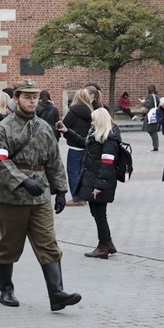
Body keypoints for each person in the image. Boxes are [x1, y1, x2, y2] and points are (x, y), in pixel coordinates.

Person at [0, 79, 81, 312]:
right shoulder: (4, 127)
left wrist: (60, 190)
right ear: (17, 98)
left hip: (40, 195)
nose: (32, 101)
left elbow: (54, 161)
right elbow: (0, 160)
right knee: (9, 244)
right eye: (27, 97)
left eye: (35, 97)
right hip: (12, 196)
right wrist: (22, 180)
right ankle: (6, 289)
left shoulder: (45, 127)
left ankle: (56, 293)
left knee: (48, 243)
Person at [58, 108, 121, 259]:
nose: (91, 122)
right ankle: (107, 243)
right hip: (93, 180)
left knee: (100, 214)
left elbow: (107, 163)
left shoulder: (109, 139)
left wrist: (99, 185)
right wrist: (67, 132)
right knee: (97, 213)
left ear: (100, 121)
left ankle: (103, 246)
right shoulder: (96, 135)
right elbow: (83, 143)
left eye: (93, 120)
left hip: (100, 182)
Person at [62, 88, 94, 206]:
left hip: (75, 146)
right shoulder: (91, 112)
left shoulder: (73, 112)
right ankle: (87, 195)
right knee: (85, 172)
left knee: (73, 172)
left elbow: (64, 125)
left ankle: (77, 198)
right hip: (88, 146)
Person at [140, 84, 159, 151]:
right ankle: (155, 146)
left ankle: (155, 147)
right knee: (153, 131)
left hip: (151, 115)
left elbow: (150, 105)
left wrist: (144, 103)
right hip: (155, 114)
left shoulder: (151, 96)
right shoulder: (156, 96)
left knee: (152, 131)